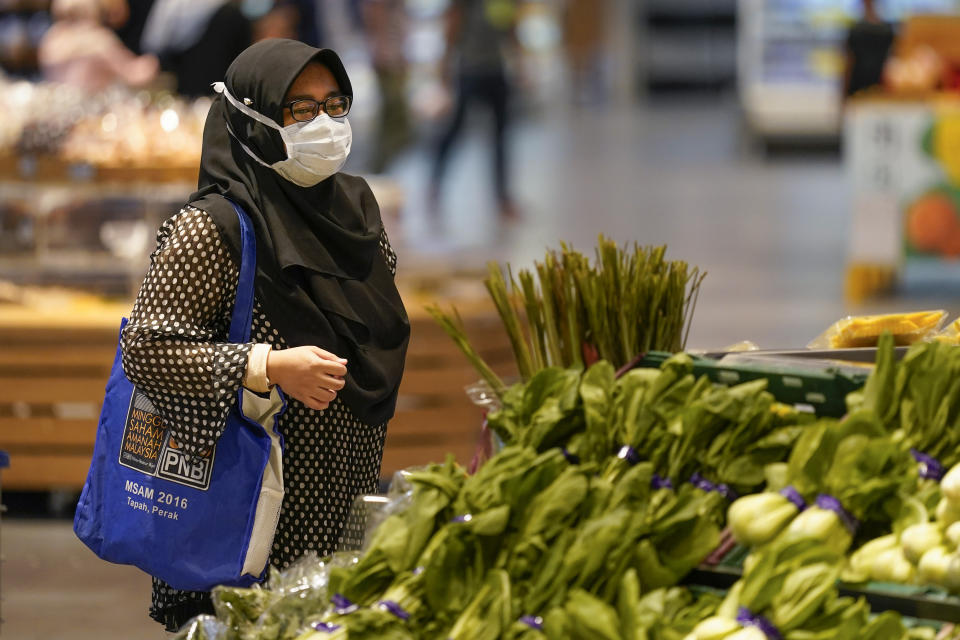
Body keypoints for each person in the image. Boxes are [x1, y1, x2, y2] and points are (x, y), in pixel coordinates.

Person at [119, 38, 410, 632]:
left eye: (334, 104)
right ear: (252, 118)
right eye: (299, 110)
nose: (323, 124)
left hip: (342, 493)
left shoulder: (356, 212)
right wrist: (267, 366)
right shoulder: (213, 227)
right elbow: (146, 348)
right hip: (241, 509)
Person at [430, 0, 520, 220]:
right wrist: (444, 71)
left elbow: (511, 29)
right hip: (469, 72)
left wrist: (520, 63)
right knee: (455, 131)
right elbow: (451, 32)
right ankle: (435, 185)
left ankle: (502, 198)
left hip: (496, 71)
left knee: (501, 137)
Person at [38, 0, 159, 91]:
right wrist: (154, 61)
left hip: (60, 111)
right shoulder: (96, 39)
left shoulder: (50, 39)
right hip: (92, 112)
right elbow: (135, 75)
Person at [843, 0, 896, 99]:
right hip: (861, 86)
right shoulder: (857, 30)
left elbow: (892, 63)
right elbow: (849, 62)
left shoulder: (886, 30)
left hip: (878, 86)